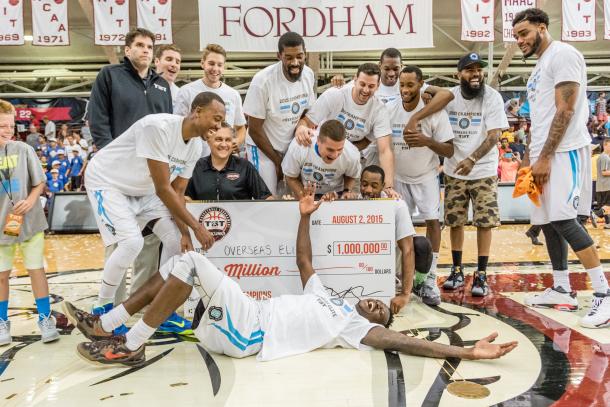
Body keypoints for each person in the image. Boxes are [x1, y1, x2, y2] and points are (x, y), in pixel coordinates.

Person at [63, 183, 518, 366]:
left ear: (372, 324)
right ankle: (114, 327)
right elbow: (304, 262)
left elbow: (403, 340)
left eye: (382, 312)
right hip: (232, 326)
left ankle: (125, 338)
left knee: (190, 262)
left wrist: (468, 353)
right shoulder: (329, 297)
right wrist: (303, 215)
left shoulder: (353, 326)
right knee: (178, 265)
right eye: (377, 302)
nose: (378, 306)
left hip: (250, 335)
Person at [84, 92, 222, 331]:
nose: (218, 126)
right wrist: (197, 227)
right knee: (131, 244)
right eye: (216, 118)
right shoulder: (157, 128)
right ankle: (102, 310)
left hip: (144, 190)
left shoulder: (196, 146)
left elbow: (177, 192)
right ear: (197, 111)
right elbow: (163, 189)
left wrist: (186, 233)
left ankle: (161, 311)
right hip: (108, 182)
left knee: (176, 244)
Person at [513, 8, 610, 328]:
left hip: (564, 150)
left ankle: (603, 294)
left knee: (565, 220)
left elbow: (566, 110)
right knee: (548, 222)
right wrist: (529, 158)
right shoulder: (539, 67)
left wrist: (544, 157)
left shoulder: (563, 54)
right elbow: (537, 118)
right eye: (516, 36)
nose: (520, 40)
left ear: (543, 27)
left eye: (525, 33)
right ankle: (562, 288)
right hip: (543, 153)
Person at [441, 52, 509, 297]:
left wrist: (472, 159)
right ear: (458, 74)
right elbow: (423, 90)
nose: (476, 74)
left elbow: (494, 136)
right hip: (454, 170)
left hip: (483, 170)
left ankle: (481, 274)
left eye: (479, 69)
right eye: (469, 70)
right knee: (455, 222)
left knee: (484, 223)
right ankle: (457, 269)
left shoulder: (492, 97)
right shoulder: (448, 96)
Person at [386, 65, 454, 305]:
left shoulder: (434, 112)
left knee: (433, 222)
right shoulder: (390, 109)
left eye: (410, 85)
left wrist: (425, 140)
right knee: (395, 227)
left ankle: (430, 277)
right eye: (401, 85)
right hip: (399, 178)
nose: (405, 89)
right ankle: (398, 276)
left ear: (421, 84)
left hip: (425, 175)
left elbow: (449, 149)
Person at [0, 99, 59, 346]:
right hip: (2, 226)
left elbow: (40, 183)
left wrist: (30, 200)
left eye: (11, 125)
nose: (8, 130)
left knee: (37, 270)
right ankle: (2, 323)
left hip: (30, 222)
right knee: (2, 276)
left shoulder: (24, 150)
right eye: (3, 125)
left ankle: (45, 319)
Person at [295, 63, 398, 197]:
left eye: (371, 86)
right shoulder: (335, 94)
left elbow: (385, 150)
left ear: (378, 86)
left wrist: (388, 186)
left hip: (349, 162)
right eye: (362, 84)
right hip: (320, 155)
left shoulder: (379, 110)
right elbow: (306, 122)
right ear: (355, 79)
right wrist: (301, 128)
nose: (366, 90)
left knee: (347, 202)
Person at [343, 165, 437, 308]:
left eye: (374, 186)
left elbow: (408, 249)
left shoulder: (396, 204)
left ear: (383, 187)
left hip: (393, 261)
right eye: (364, 184)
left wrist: (405, 294)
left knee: (421, 245)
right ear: (360, 183)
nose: (368, 190)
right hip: (365, 262)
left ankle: (418, 283)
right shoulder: (353, 202)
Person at [243, 32, 316, 196]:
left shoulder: (309, 75)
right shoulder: (262, 81)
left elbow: (307, 111)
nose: (295, 62)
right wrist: (278, 161)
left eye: (300, 56)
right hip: (262, 148)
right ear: (279, 56)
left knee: (295, 196)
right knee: (268, 196)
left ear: (306, 54)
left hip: (290, 146)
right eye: (289, 57)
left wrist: (301, 128)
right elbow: (254, 129)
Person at [89, 27, 172, 149]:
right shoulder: (109, 75)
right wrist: (109, 151)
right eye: (140, 45)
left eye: (149, 47)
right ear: (127, 50)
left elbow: (167, 124)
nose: (146, 50)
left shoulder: (163, 85)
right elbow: (97, 118)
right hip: (119, 155)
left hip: (154, 158)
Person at [175, 44, 246, 156]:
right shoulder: (186, 91)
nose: (215, 69)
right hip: (195, 159)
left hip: (225, 159)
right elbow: (178, 127)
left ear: (224, 67)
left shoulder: (233, 94)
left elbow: (241, 127)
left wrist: (237, 141)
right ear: (202, 63)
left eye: (219, 65)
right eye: (211, 63)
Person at [185, 123, 272, 201]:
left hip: (240, 219)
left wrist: (284, 203)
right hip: (203, 218)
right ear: (208, 140)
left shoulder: (245, 166)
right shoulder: (197, 166)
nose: (223, 144)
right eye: (218, 139)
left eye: (228, 140)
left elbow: (266, 198)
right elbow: (187, 197)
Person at [282, 119, 360, 200]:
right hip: (305, 190)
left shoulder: (352, 154)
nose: (335, 155)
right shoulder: (299, 147)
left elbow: (351, 175)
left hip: (336, 194)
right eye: (330, 149)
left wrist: (347, 191)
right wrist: (305, 198)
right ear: (318, 141)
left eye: (340, 149)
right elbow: (290, 177)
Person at [153, 44, 182, 109]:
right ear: (157, 61)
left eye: (177, 62)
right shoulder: (143, 87)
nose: (174, 64)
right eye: (169, 59)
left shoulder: (180, 94)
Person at [595, 138, 610, 229]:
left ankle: (608, 224)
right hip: (606, 186)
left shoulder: (604, 156)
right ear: (605, 145)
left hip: (602, 186)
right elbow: (604, 172)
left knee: (606, 207)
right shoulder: (605, 157)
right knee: (607, 206)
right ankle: (594, 214)